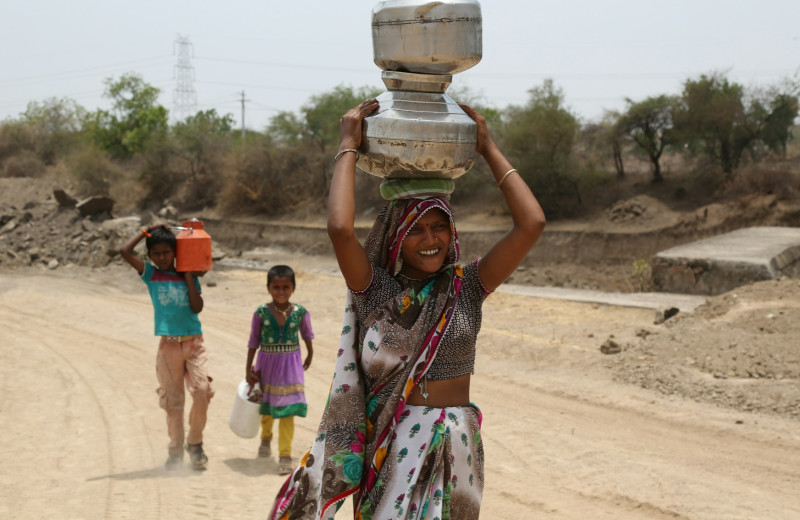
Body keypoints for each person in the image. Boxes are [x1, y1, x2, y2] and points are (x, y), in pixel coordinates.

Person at [269, 99, 545, 520]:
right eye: (415, 228)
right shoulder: (377, 293)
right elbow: (341, 230)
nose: (429, 238)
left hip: (457, 445)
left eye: (438, 226)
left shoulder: (466, 287)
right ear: (395, 237)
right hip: (394, 444)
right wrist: (347, 146)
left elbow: (532, 224)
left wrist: (488, 149)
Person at [119, 223, 213, 471]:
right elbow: (125, 251)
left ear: (175, 252)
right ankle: (175, 452)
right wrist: (145, 230)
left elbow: (197, 307)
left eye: (166, 252)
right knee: (173, 403)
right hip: (168, 346)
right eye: (156, 253)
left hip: (194, 343)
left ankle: (195, 444)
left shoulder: (188, 273)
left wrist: (189, 277)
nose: (161, 258)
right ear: (150, 256)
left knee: (202, 391)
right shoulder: (151, 275)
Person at [244, 264, 314, 475]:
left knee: (288, 410)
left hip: (291, 366)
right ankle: (266, 439)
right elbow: (253, 341)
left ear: (293, 287)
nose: (281, 292)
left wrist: (310, 353)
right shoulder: (261, 313)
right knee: (267, 406)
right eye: (276, 287)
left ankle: (285, 454)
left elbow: (307, 335)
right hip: (266, 364)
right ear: (268, 288)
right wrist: (248, 368)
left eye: (285, 287)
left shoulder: (300, 312)